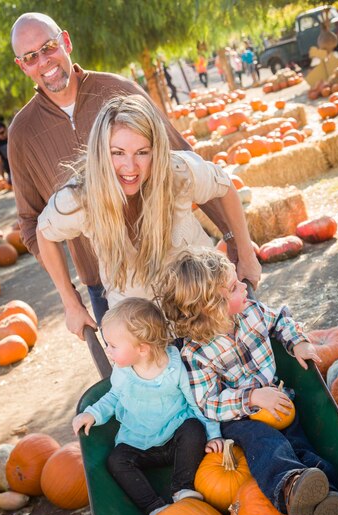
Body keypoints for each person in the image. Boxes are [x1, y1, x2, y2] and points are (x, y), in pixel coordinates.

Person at [9, 12, 260, 331]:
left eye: (48, 47)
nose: (43, 61)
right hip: (108, 286)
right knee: (147, 372)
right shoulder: (23, 133)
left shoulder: (120, 91)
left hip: (179, 267)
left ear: (66, 42)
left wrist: (233, 239)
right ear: (22, 66)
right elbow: (33, 224)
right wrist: (70, 300)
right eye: (31, 57)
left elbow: (185, 164)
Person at [160, 248, 338, 515]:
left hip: (279, 400)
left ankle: (326, 502)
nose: (244, 286)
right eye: (234, 287)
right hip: (240, 418)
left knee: (300, 446)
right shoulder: (195, 353)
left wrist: (297, 342)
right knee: (268, 444)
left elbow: (280, 320)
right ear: (212, 307)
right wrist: (251, 398)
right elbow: (208, 402)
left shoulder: (252, 312)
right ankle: (288, 488)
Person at [36, 94, 259, 338]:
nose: (130, 167)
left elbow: (225, 187)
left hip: (205, 310)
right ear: (101, 153)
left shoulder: (178, 172)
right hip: (143, 329)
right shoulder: (81, 198)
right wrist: (71, 303)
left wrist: (246, 254)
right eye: (117, 153)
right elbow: (44, 234)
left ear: (157, 150)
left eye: (142, 152)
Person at [72, 297, 221, 515]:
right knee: (116, 460)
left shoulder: (175, 366)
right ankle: (153, 507)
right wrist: (92, 413)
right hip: (138, 443)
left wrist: (213, 435)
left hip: (175, 438)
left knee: (193, 429)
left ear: (142, 348)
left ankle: (182, 488)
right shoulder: (122, 372)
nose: (108, 351)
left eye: (112, 345)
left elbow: (197, 404)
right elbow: (112, 397)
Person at [0, 122, 12, 187]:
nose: (0, 135)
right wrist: (3, 177)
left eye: (2, 132)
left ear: (6, 129)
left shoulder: (13, 137)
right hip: (11, 172)